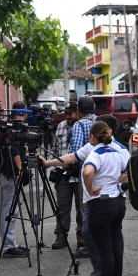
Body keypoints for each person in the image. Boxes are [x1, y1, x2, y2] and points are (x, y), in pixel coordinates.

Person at [41, 114, 126, 276]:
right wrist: (48, 163)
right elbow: (72, 156)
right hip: (95, 201)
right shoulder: (94, 146)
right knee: (93, 234)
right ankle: (107, 275)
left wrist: (101, 187)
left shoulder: (118, 149)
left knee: (110, 240)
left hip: (106, 200)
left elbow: (127, 174)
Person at [80, 121, 131, 276]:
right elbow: (126, 173)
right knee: (115, 243)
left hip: (101, 203)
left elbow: (88, 172)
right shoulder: (116, 151)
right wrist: (113, 181)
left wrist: (90, 188)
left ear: (93, 137)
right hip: (118, 202)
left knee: (105, 247)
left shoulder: (96, 153)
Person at [0, 102, 30, 258]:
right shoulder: (16, 128)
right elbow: (15, 150)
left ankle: (10, 244)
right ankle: (9, 246)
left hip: (4, 173)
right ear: (24, 113)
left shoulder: (7, 125)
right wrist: (20, 170)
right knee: (10, 210)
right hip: (10, 173)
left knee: (6, 209)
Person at [49, 102, 83, 250]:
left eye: (71, 114)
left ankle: (81, 235)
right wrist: (56, 166)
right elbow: (55, 148)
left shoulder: (82, 126)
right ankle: (61, 236)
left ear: (77, 112)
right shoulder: (61, 126)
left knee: (81, 206)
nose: (68, 116)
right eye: (66, 114)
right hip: (63, 173)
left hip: (78, 173)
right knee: (62, 206)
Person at [71, 96, 97, 256]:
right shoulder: (102, 123)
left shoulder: (79, 124)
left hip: (87, 173)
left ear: (78, 111)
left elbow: (76, 149)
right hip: (103, 173)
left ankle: (90, 246)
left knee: (86, 209)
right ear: (94, 109)